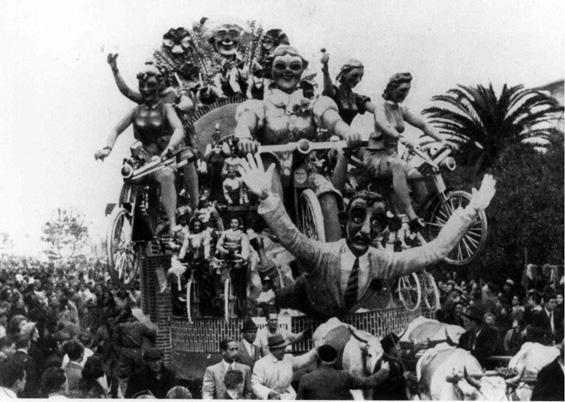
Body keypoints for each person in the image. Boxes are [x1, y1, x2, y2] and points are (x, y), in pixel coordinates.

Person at [240, 154, 496, 318]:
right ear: (345, 220)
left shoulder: (382, 261)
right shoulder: (321, 255)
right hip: (306, 301)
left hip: (341, 315)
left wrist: (471, 210)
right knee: (271, 300)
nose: (365, 230)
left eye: (376, 222)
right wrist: (267, 197)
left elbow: (434, 250)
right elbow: (292, 237)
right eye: (358, 217)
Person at [235, 45, 363, 241]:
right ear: (271, 70)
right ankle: (280, 239)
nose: (288, 71)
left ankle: (334, 256)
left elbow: (332, 120)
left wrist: (348, 132)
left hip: (302, 167)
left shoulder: (313, 104)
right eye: (281, 66)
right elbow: (246, 123)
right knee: (271, 185)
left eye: (294, 66)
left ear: (302, 70)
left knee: (328, 195)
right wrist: (244, 137)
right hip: (272, 168)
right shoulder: (260, 105)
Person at [95, 66, 185, 234]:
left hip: (162, 157)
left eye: (150, 85)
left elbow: (179, 129)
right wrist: (107, 148)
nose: (146, 90)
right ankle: (123, 221)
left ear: (159, 86)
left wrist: (170, 147)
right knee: (128, 175)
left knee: (166, 176)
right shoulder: (136, 110)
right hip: (142, 158)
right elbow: (116, 129)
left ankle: (172, 223)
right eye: (142, 86)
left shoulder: (166, 108)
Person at [362, 72, 451, 231]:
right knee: (397, 164)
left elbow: (423, 125)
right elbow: (383, 124)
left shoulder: (401, 110)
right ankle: (412, 218)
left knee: (420, 172)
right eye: (402, 90)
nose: (405, 94)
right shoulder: (379, 108)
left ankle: (426, 213)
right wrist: (400, 137)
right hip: (376, 158)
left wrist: (442, 139)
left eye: (407, 90)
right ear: (391, 89)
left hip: (392, 157)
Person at [297, 343, 390, 400]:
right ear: (335, 360)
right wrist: (383, 370)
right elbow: (367, 383)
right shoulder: (344, 376)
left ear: (319, 359)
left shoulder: (305, 379)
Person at [251, 333, 317, 400]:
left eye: (283, 348)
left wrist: (316, 350)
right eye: (279, 349)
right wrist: (269, 393)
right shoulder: (261, 364)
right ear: (271, 350)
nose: (283, 351)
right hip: (269, 399)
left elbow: (303, 360)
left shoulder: (288, 359)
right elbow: (255, 384)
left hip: (288, 397)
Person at [375, 333, 410, 400]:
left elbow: (409, 364)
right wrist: (403, 377)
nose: (400, 347)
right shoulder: (382, 364)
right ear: (391, 348)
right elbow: (386, 386)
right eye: (397, 345)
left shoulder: (395, 360)